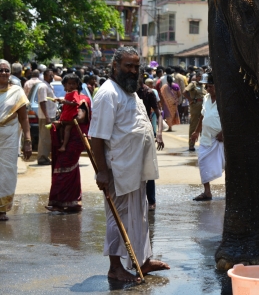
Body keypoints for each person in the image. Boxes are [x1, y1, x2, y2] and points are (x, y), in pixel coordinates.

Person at [89, 47, 169, 282]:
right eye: (128, 66)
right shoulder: (107, 93)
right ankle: (115, 268)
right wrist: (102, 172)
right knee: (118, 217)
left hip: (135, 167)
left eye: (136, 66)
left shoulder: (129, 90)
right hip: (118, 169)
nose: (134, 71)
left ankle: (141, 261)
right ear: (115, 66)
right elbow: (97, 136)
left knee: (139, 214)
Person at [46, 74, 91, 213]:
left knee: (63, 167)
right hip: (66, 136)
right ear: (64, 86)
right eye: (68, 84)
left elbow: (80, 118)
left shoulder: (82, 99)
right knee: (72, 168)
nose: (71, 86)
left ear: (78, 85)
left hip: (76, 137)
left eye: (74, 84)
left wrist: (62, 123)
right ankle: (72, 202)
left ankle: (58, 202)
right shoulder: (65, 100)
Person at [0, 60, 33, 221]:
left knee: (7, 171)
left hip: (9, 138)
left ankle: (1, 209)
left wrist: (27, 140)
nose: (4, 73)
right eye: (1, 70)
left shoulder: (17, 92)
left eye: (6, 70)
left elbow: (24, 118)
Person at [190, 72, 225, 201]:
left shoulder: (224, 99)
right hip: (207, 137)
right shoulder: (206, 98)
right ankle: (207, 192)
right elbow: (203, 116)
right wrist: (196, 131)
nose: (208, 89)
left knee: (227, 164)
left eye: (210, 86)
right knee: (203, 161)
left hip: (221, 139)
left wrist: (224, 133)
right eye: (207, 87)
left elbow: (230, 118)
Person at [136, 76, 165, 212]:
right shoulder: (127, 91)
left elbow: (159, 114)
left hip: (146, 132)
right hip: (131, 134)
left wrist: (159, 134)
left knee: (149, 168)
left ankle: (151, 200)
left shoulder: (148, 93)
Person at [37, 69, 57, 165]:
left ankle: (46, 157)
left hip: (51, 115)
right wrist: (47, 117)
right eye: (50, 75)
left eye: (52, 75)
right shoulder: (43, 86)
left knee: (49, 138)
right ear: (45, 76)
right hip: (46, 116)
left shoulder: (49, 86)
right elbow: (42, 102)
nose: (52, 77)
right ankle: (42, 158)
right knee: (45, 138)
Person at [183, 75, 205, 152]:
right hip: (195, 105)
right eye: (199, 76)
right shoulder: (193, 84)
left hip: (204, 105)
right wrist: (190, 100)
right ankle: (191, 145)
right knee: (194, 124)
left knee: (204, 124)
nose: (200, 78)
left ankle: (203, 144)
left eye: (201, 76)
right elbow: (185, 92)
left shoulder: (204, 84)